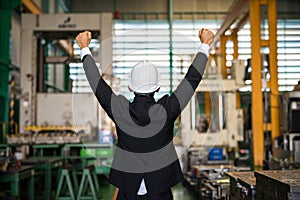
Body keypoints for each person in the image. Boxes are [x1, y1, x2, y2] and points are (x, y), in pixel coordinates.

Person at [76, 28, 214, 200]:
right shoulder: (168, 108)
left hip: (128, 190)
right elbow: (192, 80)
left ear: (130, 87)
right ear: (157, 87)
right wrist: (204, 45)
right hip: (160, 189)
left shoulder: (120, 109)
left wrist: (84, 48)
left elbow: (96, 83)